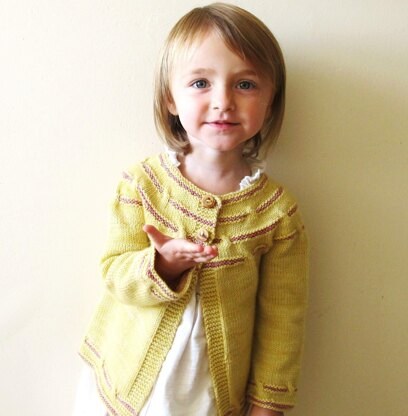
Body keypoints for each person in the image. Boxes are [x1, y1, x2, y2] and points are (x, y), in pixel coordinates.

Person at [73, 3, 309, 416]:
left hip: (206, 396)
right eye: (201, 82)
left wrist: (268, 404)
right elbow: (114, 274)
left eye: (246, 84)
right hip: (124, 385)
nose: (223, 102)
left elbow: (283, 320)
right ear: (170, 98)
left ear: (271, 102)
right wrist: (162, 265)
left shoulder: (277, 214)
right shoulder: (142, 185)